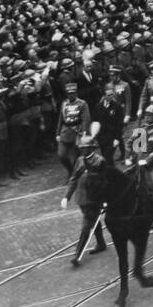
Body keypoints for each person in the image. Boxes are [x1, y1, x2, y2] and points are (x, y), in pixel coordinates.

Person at [61, 131, 107, 266]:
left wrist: (104, 201)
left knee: (86, 226)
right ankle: (101, 243)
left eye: (84, 148)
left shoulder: (100, 161)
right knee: (93, 219)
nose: (82, 149)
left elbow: (104, 182)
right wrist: (66, 196)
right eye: (81, 148)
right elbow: (74, 178)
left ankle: (77, 255)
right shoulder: (80, 160)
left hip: (94, 199)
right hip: (81, 198)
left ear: (92, 148)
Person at [56, 79, 90, 176]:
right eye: (69, 93)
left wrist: (84, 132)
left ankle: (74, 175)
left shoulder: (82, 104)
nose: (70, 95)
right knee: (61, 155)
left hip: (77, 131)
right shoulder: (64, 104)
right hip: (65, 131)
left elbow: (86, 119)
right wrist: (57, 133)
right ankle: (70, 171)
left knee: (75, 157)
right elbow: (60, 119)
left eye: (73, 93)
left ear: (76, 93)